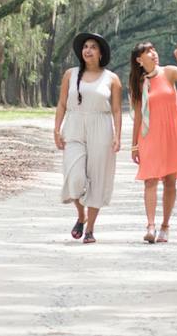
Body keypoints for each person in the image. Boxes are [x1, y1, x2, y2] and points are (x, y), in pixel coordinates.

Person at [129, 40, 177, 243]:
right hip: (148, 136)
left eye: (154, 50)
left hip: (171, 134)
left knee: (170, 181)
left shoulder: (169, 72)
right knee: (150, 180)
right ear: (139, 60)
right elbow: (137, 115)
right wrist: (134, 144)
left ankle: (165, 226)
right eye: (147, 52)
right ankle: (150, 226)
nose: (153, 54)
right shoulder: (138, 82)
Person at [53, 31, 121, 243]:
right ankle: (80, 216)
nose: (88, 50)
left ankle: (90, 228)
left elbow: (117, 110)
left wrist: (118, 135)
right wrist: (56, 129)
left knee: (97, 178)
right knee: (75, 177)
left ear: (101, 53)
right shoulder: (70, 74)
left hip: (101, 127)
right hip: (74, 126)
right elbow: (62, 103)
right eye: (85, 47)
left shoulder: (112, 79)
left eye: (93, 47)